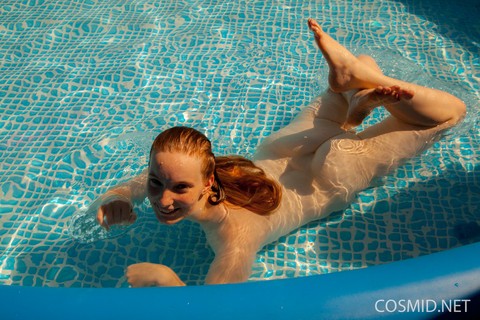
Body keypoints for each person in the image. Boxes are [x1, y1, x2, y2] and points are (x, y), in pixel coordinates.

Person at [95, 18, 466, 287]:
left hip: (328, 177)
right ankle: (354, 101)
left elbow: (214, 312)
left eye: (178, 188)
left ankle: (362, 101)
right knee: (359, 69)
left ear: (208, 182)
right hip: (282, 151)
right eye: (157, 183)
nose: (162, 198)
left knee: (450, 114)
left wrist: (167, 280)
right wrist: (121, 194)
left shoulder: (234, 238)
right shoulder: (206, 167)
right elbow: (153, 177)